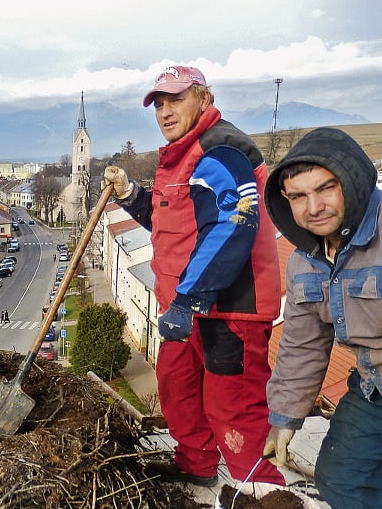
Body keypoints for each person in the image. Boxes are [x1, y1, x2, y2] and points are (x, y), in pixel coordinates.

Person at [103, 66, 284, 486]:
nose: (165, 112)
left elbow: (233, 223)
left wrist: (187, 299)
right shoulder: (182, 155)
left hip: (228, 311)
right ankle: (197, 465)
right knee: (178, 388)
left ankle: (262, 500)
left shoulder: (221, 149)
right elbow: (173, 224)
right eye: (159, 104)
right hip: (185, 306)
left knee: (232, 410)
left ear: (204, 98)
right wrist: (131, 193)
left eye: (176, 100)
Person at [261, 127, 382, 509]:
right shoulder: (305, 260)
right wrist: (285, 418)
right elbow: (303, 344)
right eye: (298, 195)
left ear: (350, 182)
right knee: (342, 475)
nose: (314, 207)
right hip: (373, 384)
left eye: (325, 188)